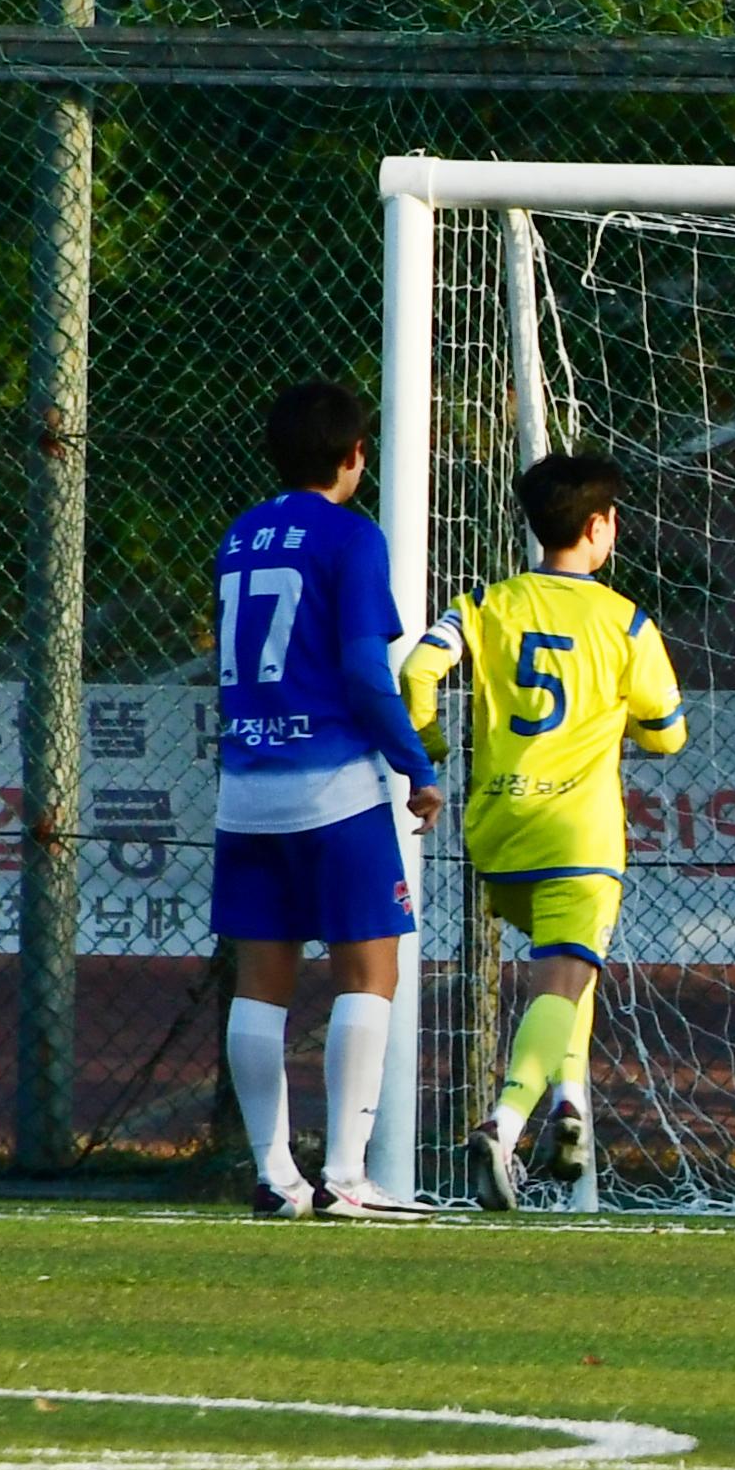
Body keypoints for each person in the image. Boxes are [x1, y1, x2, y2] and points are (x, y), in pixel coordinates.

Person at [400, 452, 686, 1212]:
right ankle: (505, 1121)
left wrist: (427, 752)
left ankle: (570, 1108)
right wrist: (615, 714)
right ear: (599, 528)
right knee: (563, 973)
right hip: (578, 831)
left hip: (498, 825)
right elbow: (668, 735)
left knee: (567, 972)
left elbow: (418, 673)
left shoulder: (487, 602)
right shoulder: (625, 620)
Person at [211, 380, 439, 1215]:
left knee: (261, 981)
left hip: (244, 788)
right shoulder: (351, 536)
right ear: (354, 456)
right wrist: (417, 764)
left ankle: (275, 1175)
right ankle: (345, 1174)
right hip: (334, 786)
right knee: (369, 968)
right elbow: (363, 673)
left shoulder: (240, 535)